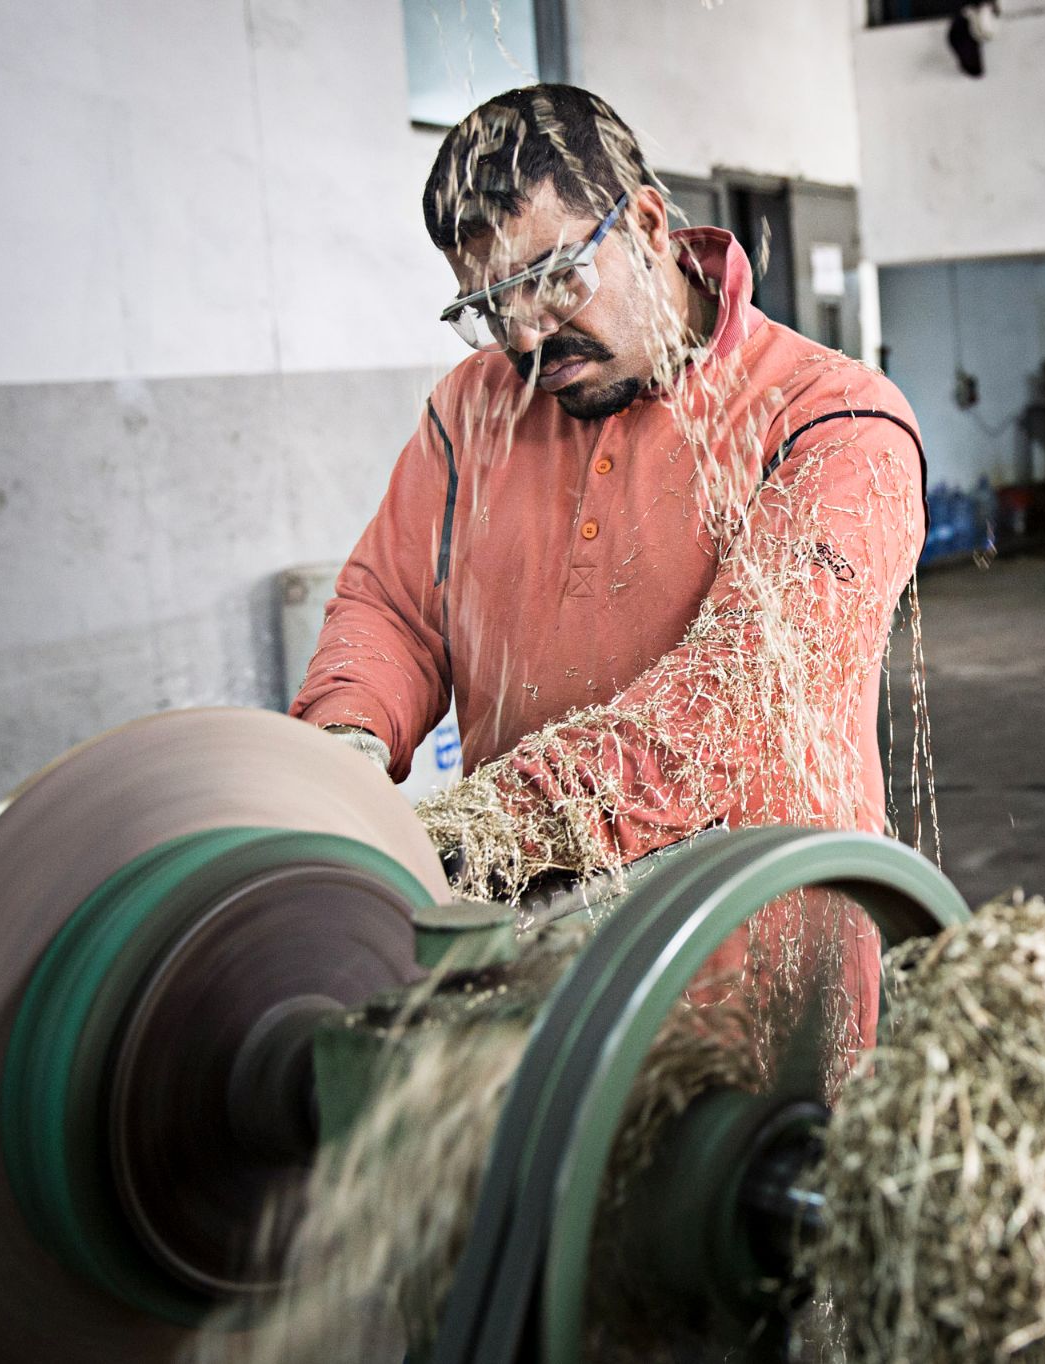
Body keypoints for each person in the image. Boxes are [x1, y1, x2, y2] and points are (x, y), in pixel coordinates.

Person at [289, 84, 926, 1049]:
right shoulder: (476, 409)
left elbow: (737, 709)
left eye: (555, 278)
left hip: (752, 969)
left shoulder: (833, 422)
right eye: (491, 304)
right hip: (531, 954)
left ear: (651, 223)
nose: (528, 336)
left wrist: (475, 833)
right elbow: (391, 605)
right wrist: (342, 741)